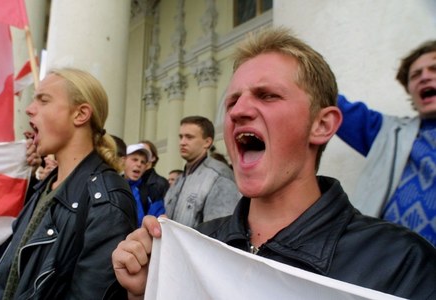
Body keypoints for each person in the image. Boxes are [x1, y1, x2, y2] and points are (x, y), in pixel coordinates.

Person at [109, 27, 436, 299]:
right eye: (233, 100)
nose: (237, 111)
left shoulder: (400, 263)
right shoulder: (198, 243)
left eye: (267, 96)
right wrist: (147, 292)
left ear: (322, 125)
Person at [0, 67, 137, 299]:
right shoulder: (45, 187)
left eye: (44, 100)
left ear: (80, 114)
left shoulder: (107, 200)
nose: (29, 109)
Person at [337, 40, 436, 246]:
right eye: (415, 75)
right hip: (393, 266)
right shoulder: (387, 133)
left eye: (434, 69)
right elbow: (325, 99)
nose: (425, 77)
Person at [163, 115, 241, 228]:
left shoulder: (219, 176)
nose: (182, 142)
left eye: (189, 137)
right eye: (181, 137)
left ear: (207, 142)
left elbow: (218, 231)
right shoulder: (180, 178)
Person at [123, 143, 166, 226]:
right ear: (124, 160)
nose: (139, 164)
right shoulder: (112, 186)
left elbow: (158, 220)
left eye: (143, 162)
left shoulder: (152, 193)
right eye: (135, 159)